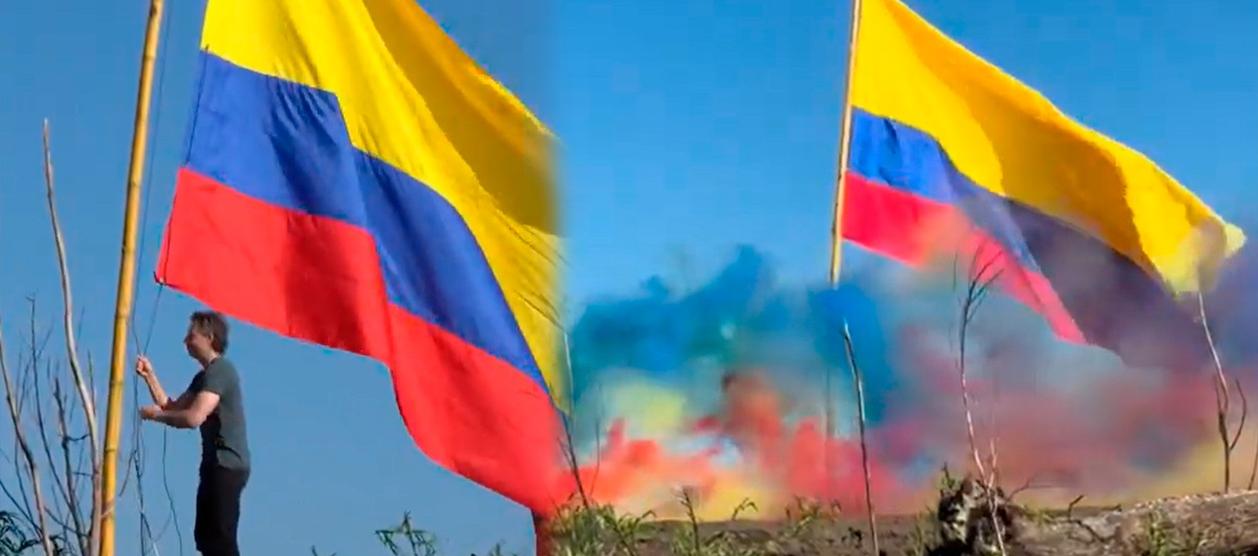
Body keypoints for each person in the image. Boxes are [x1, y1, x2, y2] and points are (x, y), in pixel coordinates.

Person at [135, 310, 250, 556]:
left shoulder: (221, 371)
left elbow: (193, 417)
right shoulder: (204, 377)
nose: (186, 341)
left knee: (220, 538)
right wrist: (150, 377)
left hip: (227, 465)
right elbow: (173, 407)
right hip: (213, 465)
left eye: (191, 335)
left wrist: (154, 416)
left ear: (209, 337)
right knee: (206, 537)